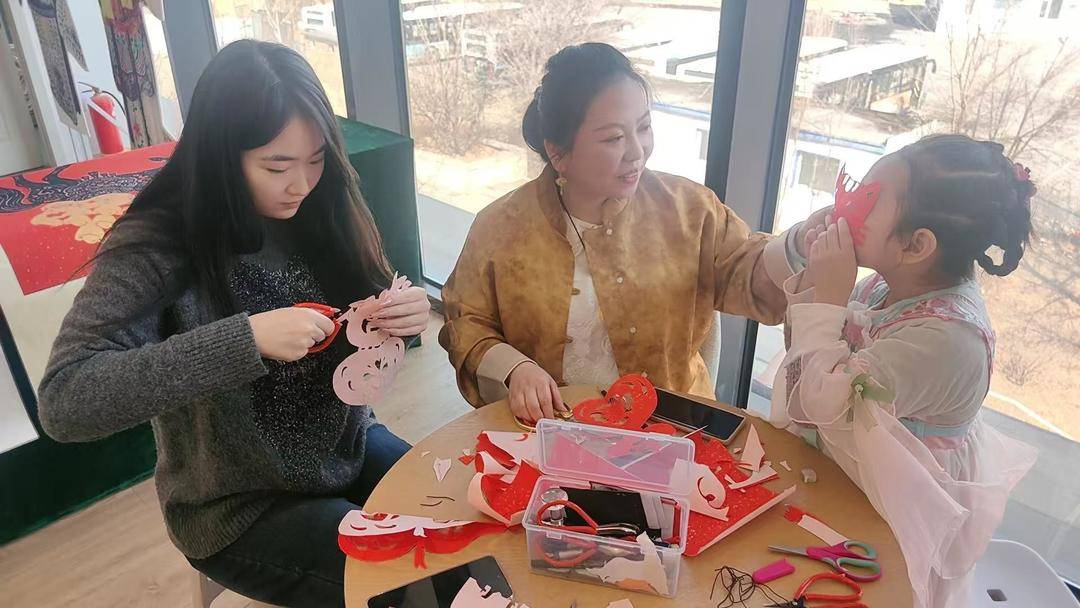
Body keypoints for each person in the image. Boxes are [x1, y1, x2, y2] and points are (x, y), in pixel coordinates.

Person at [36, 40, 430, 608]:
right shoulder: (156, 246)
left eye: (316, 158)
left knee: (457, 520)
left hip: (346, 445)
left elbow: (366, 316)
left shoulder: (324, 203)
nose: (301, 184)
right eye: (277, 166)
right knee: (409, 582)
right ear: (221, 155)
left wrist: (402, 316)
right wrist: (245, 341)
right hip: (237, 504)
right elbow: (65, 400)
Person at [440, 43, 826, 421]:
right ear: (558, 153)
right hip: (554, 428)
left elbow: (746, 269)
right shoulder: (502, 227)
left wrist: (796, 245)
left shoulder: (689, 210)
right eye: (614, 138)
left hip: (670, 427)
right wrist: (514, 368)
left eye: (644, 127)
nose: (637, 152)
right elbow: (466, 322)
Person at [769, 134, 1039, 608]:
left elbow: (819, 404)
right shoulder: (883, 285)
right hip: (847, 480)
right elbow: (804, 365)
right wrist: (815, 283)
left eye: (869, 199)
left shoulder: (947, 341)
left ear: (916, 245)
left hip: (896, 514)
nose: (848, 204)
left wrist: (827, 301)